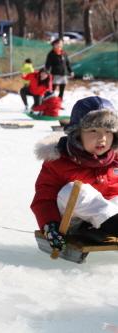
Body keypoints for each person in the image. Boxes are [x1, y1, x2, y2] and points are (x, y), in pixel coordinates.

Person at [31, 96, 118, 253]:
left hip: (105, 220)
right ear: (77, 133)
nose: (102, 138)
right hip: (72, 221)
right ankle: (111, 224)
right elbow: (44, 199)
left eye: (108, 131)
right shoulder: (58, 161)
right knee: (75, 190)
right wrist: (50, 225)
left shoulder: (115, 160)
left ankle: (102, 229)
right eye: (93, 131)